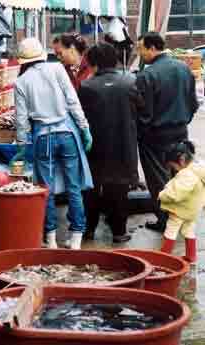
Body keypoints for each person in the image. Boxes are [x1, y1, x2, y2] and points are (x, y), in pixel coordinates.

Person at [10, 38, 93, 250]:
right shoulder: (57, 69)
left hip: (43, 138)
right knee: (74, 187)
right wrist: (84, 129)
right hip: (67, 134)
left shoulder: (21, 82)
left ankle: (51, 239)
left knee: (46, 189)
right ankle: (76, 239)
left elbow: (21, 120)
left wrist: (21, 146)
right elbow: (73, 102)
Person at [136, 31, 199, 233]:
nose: (140, 53)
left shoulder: (147, 75)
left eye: (141, 49)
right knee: (181, 176)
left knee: (158, 180)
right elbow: (193, 103)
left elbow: (143, 112)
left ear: (152, 48)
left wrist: (142, 131)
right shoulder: (183, 68)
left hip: (155, 135)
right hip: (180, 131)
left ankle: (165, 220)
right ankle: (182, 216)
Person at [78, 43, 141, 243]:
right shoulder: (130, 81)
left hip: (96, 146)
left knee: (92, 188)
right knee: (119, 188)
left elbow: (80, 117)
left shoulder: (87, 86)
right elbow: (141, 110)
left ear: (94, 62)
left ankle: (88, 230)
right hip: (123, 145)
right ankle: (119, 232)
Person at [159, 140, 205, 263]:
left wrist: (162, 195)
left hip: (180, 210)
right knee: (188, 230)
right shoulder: (198, 168)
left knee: (171, 230)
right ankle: (191, 256)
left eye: (172, 166)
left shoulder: (187, 175)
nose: (173, 169)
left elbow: (176, 193)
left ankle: (163, 258)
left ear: (182, 160)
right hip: (192, 209)